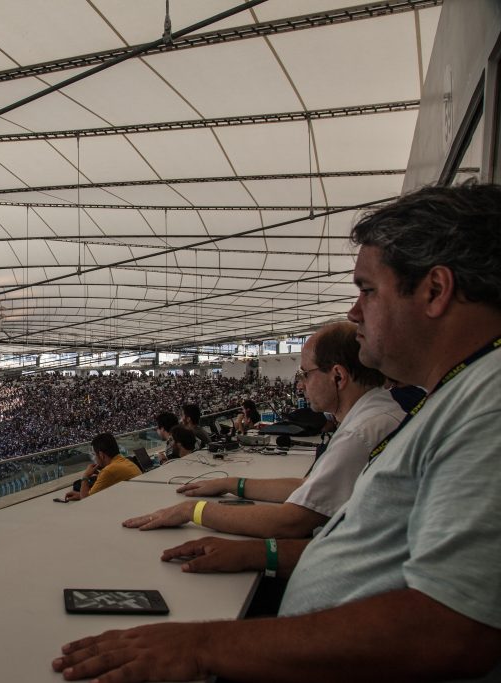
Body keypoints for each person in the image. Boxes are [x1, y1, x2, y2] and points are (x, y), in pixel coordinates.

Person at [52, 184, 501, 681]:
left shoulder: (490, 402)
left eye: (367, 290)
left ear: (435, 291)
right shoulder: (462, 395)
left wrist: (201, 644)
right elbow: (376, 551)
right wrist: (258, 552)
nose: (354, 313)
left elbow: (453, 629)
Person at [122, 321, 405, 539]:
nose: (300, 385)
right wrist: (232, 483)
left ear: (338, 376)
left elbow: (291, 520)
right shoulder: (374, 416)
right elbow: (310, 489)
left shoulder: (361, 434)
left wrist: (192, 511)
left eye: (305, 373)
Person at [64, 433, 141, 501]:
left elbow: (86, 500)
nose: (94, 458)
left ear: (101, 455)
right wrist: (80, 495)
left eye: (94, 454)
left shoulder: (108, 471)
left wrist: (85, 476)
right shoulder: (124, 460)